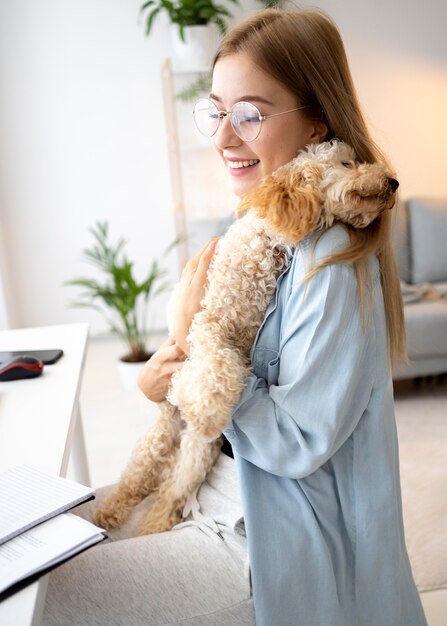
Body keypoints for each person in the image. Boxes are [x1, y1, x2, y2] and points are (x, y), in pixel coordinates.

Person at [42, 8, 427, 626]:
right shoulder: (262, 226)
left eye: (249, 114)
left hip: (263, 535)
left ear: (315, 123)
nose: (223, 138)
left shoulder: (329, 259)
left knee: (46, 596)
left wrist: (196, 358)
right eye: (216, 112)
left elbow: (299, 439)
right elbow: (220, 348)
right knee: (42, 537)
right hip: (207, 485)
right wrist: (173, 361)